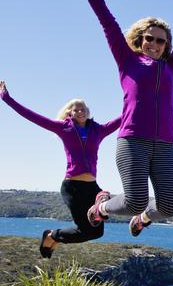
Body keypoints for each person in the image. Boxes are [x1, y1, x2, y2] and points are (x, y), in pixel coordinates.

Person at [83, 0, 173, 236]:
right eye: (149, 38)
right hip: (133, 142)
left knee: (168, 207)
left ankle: (141, 220)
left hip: (165, 144)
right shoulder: (127, 59)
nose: (154, 44)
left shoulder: (171, 65)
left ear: (166, 45)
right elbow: (108, 22)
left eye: (160, 41)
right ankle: (101, 206)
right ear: (140, 39)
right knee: (134, 201)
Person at [0, 81, 120, 258]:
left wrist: (142, 99)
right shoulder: (64, 128)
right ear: (70, 113)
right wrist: (7, 99)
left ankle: (54, 236)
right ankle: (51, 236)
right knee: (84, 230)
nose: (80, 111)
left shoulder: (98, 130)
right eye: (76, 109)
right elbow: (34, 117)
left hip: (92, 188)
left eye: (83, 109)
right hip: (73, 188)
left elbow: (123, 118)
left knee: (97, 233)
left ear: (88, 111)